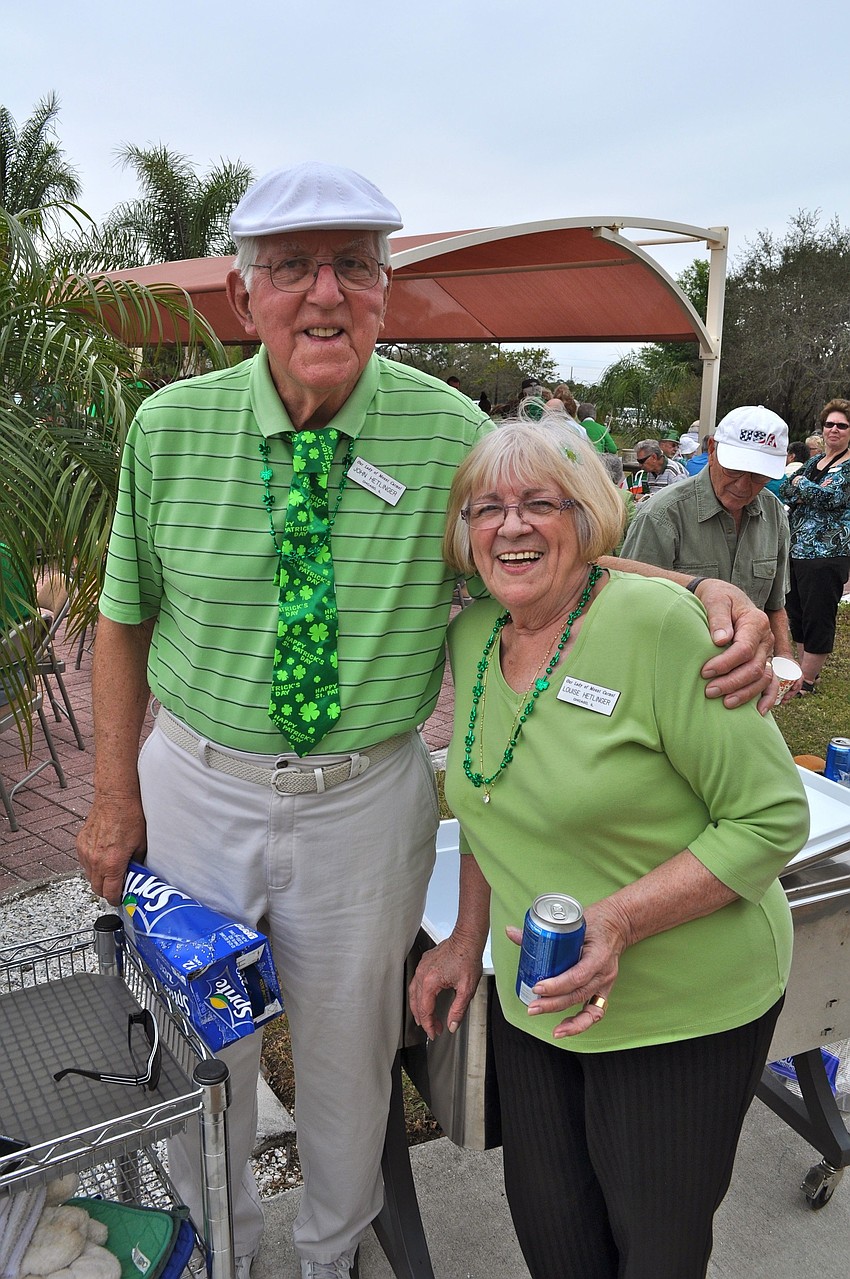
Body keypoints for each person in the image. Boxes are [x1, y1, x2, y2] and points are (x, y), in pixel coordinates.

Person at [77, 161, 776, 1279]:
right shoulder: (170, 428)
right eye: (294, 268)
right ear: (243, 295)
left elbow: (569, 546)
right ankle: (217, 1247)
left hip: (364, 796)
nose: (324, 294)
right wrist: (114, 799)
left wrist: (707, 590)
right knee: (195, 1049)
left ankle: (328, 1256)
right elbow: (120, 621)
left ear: (384, 294)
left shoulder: (446, 428)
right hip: (196, 783)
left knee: (350, 1052)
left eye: (353, 267)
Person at [409, 420, 809, 1279]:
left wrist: (621, 919)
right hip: (539, 997)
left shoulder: (661, 628)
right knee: (554, 1233)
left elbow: (771, 817)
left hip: (683, 1007)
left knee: (654, 1245)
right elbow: (491, 803)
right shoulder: (475, 635)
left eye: (540, 504)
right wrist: (463, 939)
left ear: (586, 517)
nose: (511, 526)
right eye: (488, 507)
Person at [622, 406, 801, 699]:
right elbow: (629, 605)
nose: (744, 486)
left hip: (748, 676)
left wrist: (784, 656)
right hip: (675, 679)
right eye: (735, 470)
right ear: (711, 448)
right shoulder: (663, 515)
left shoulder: (774, 515)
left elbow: (774, 603)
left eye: (759, 476)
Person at [780, 398, 850, 694]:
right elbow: (784, 488)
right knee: (797, 611)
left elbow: (832, 499)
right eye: (829, 424)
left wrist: (802, 486)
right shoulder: (814, 462)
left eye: (842, 425)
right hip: (797, 550)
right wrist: (804, 487)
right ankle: (802, 671)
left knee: (819, 615)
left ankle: (806, 681)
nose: (833, 430)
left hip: (828, 553)